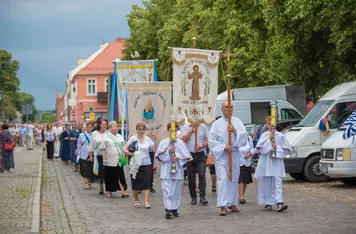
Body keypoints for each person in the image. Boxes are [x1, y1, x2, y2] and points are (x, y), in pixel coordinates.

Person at [208, 102, 249, 216]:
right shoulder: (217, 124)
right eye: (226, 107)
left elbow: (245, 136)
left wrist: (235, 131)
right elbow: (211, 140)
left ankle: (232, 202)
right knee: (222, 179)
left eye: (230, 107)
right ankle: (223, 205)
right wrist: (223, 147)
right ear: (222, 109)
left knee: (234, 178)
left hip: (234, 154)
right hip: (222, 156)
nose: (228, 109)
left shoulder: (237, 121)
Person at [156, 122, 192, 219]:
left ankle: (174, 208)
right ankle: (168, 209)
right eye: (171, 130)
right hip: (166, 169)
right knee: (166, 190)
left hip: (177, 170)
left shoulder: (180, 143)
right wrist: (168, 152)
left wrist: (178, 157)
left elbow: (187, 157)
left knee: (175, 190)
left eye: (175, 130)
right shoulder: (164, 142)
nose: (173, 132)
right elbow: (159, 156)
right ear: (168, 131)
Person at [254, 123, 290, 212]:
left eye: (272, 123)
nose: (271, 125)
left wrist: (277, 148)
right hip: (266, 161)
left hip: (276, 161)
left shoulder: (281, 136)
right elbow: (260, 149)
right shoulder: (264, 135)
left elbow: (286, 149)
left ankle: (279, 202)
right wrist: (269, 142)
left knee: (277, 180)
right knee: (266, 181)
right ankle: (268, 202)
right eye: (269, 123)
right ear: (267, 124)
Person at [123, 122, 156, 209]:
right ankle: (136, 200)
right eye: (139, 129)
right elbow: (124, 149)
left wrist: (155, 140)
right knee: (135, 182)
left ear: (145, 130)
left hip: (146, 163)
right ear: (136, 130)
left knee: (147, 182)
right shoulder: (133, 138)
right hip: (135, 164)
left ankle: (146, 202)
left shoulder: (148, 139)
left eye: (143, 129)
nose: (141, 131)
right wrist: (131, 154)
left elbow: (154, 149)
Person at [180, 121, 209, 205]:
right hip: (189, 154)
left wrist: (201, 146)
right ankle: (193, 197)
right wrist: (192, 131)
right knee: (191, 177)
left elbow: (207, 140)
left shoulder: (203, 127)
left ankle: (202, 196)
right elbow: (183, 139)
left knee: (202, 175)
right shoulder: (185, 127)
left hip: (200, 154)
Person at [101, 121, 129, 198]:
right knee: (110, 176)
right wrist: (104, 159)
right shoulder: (106, 136)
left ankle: (123, 191)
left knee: (120, 175)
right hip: (110, 159)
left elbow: (123, 147)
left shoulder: (120, 136)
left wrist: (126, 154)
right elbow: (103, 149)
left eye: (116, 125)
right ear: (110, 128)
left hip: (119, 159)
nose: (116, 127)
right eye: (114, 125)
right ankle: (109, 191)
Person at [89, 119, 108, 195]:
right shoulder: (95, 133)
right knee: (101, 171)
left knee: (107, 171)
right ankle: (101, 188)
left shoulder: (108, 133)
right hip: (99, 155)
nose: (105, 126)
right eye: (103, 124)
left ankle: (109, 188)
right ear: (99, 125)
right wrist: (91, 155)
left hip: (107, 155)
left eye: (106, 124)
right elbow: (91, 145)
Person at [238, 135, 255, 204]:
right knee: (240, 179)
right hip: (238, 162)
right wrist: (242, 156)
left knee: (245, 180)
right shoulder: (236, 138)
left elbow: (253, 149)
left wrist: (249, 154)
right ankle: (241, 196)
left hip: (247, 161)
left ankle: (242, 195)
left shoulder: (249, 138)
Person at [77, 122, 93, 189]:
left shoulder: (93, 135)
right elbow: (78, 145)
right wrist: (78, 154)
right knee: (84, 169)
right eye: (87, 127)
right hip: (83, 154)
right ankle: (86, 182)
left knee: (90, 169)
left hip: (91, 154)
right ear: (85, 128)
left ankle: (89, 181)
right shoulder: (81, 135)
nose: (89, 128)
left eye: (90, 127)